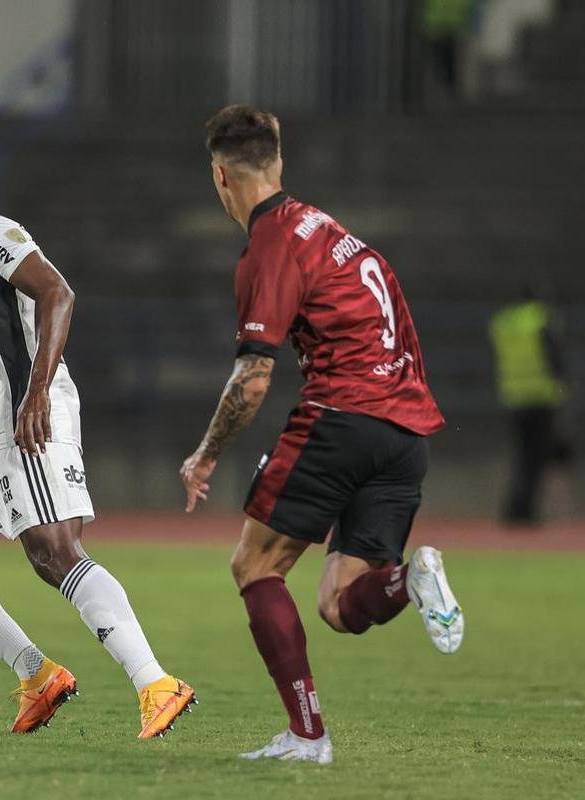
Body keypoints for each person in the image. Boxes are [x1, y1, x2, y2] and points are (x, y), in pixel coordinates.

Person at [179, 106, 463, 764]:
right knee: (341, 605)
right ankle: (409, 582)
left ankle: (308, 737)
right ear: (277, 163)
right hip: (406, 430)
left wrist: (205, 453)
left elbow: (252, 381)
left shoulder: (273, 245)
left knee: (254, 566)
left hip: (345, 416)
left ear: (220, 176)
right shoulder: (336, 233)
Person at [0, 141, 195, 738]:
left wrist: (38, 393)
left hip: (29, 426)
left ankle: (157, 683)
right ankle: (38, 675)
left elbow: (58, 292)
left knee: (53, 554)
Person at [488, 286, 569, 525]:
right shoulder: (540, 320)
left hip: (512, 397)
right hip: (541, 398)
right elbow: (555, 358)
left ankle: (514, 508)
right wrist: (563, 386)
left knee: (521, 456)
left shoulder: (504, 322)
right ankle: (525, 511)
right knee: (536, 459)